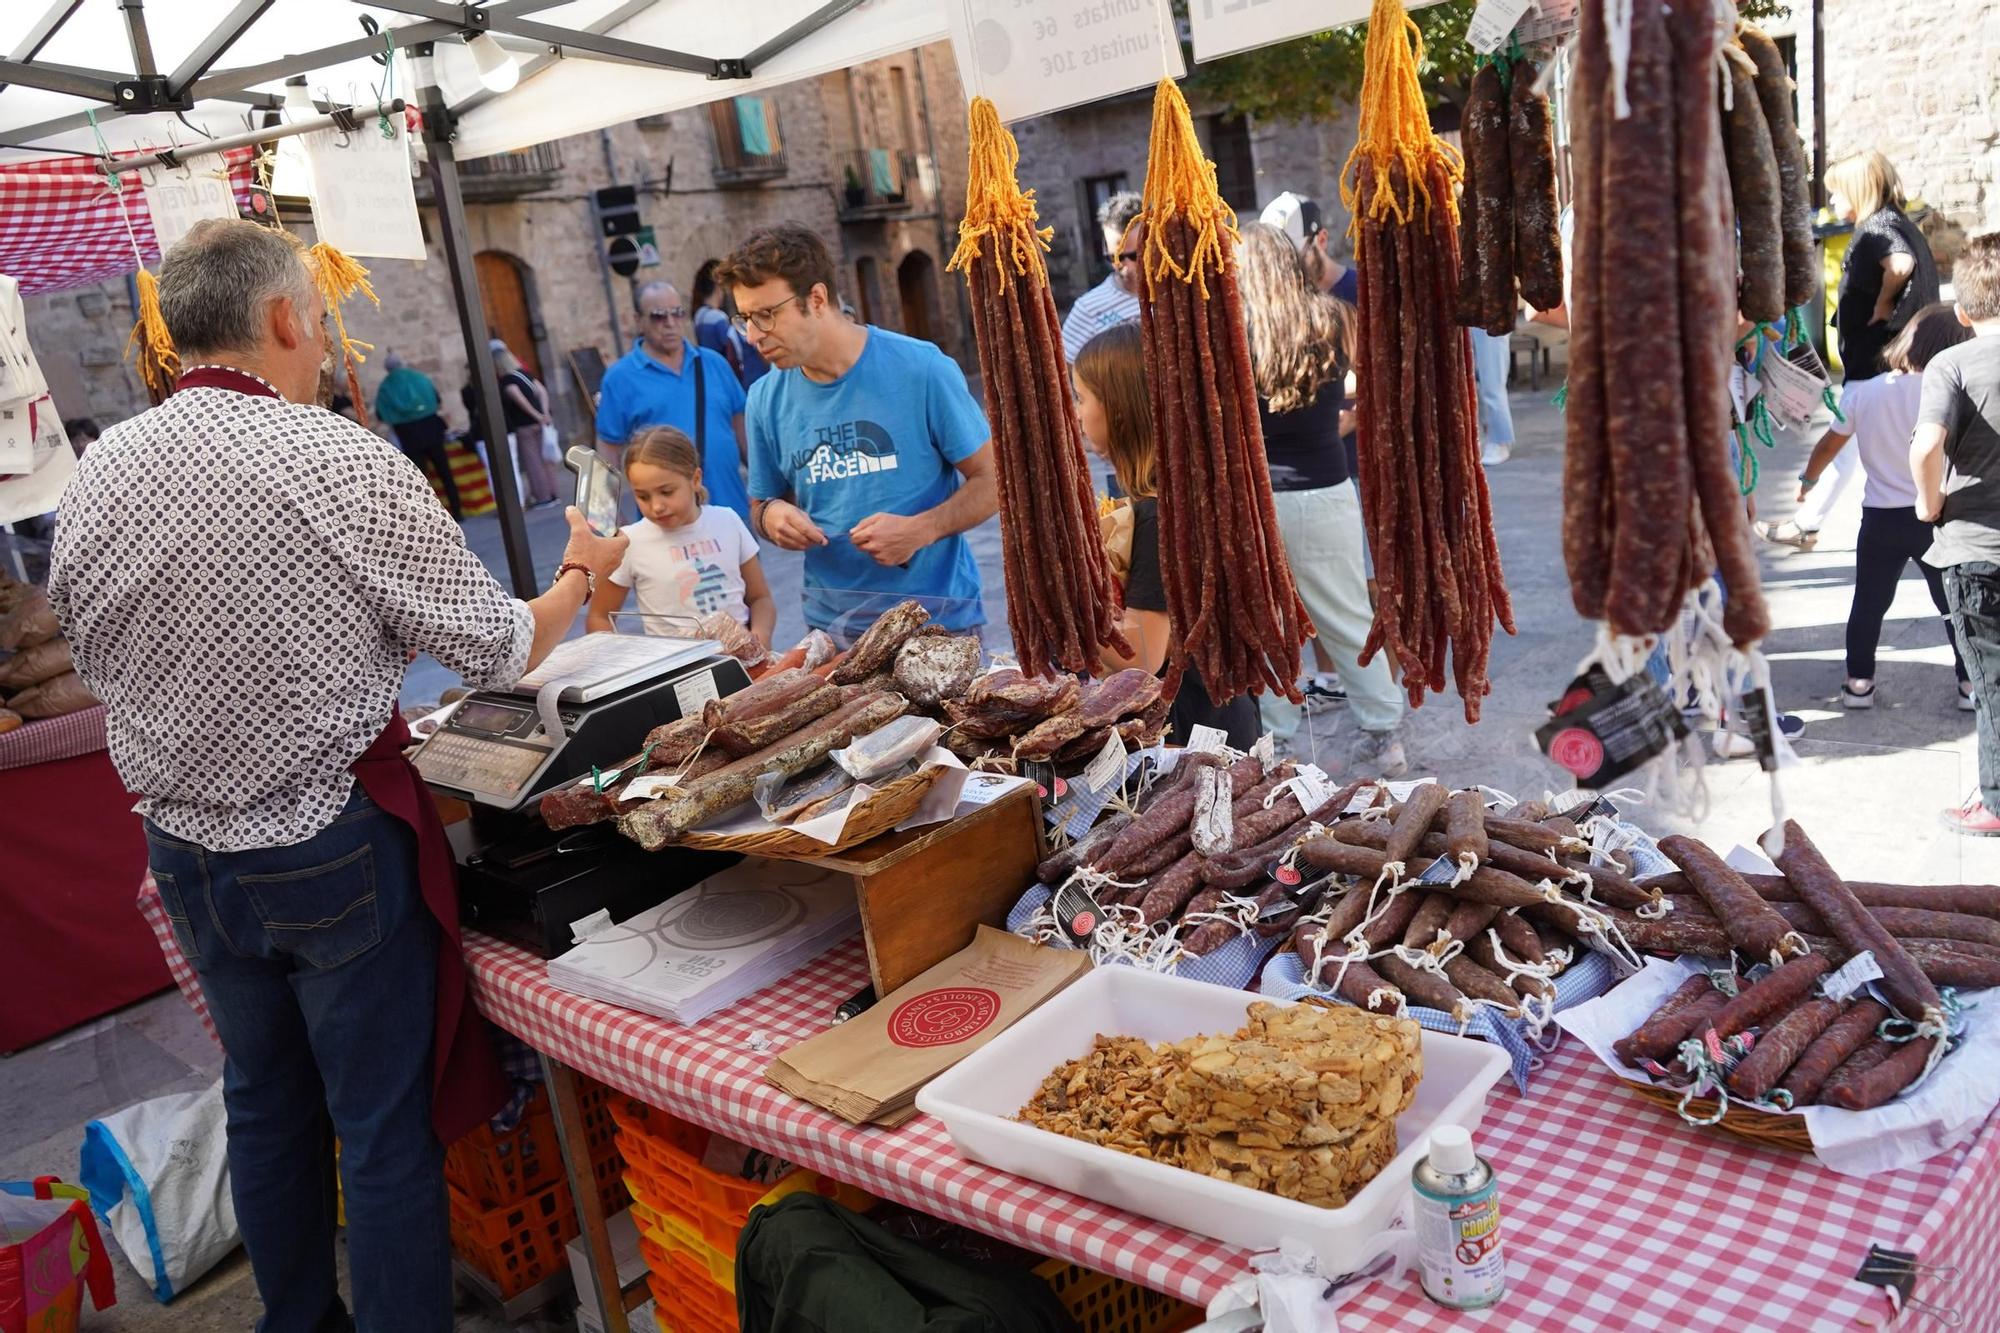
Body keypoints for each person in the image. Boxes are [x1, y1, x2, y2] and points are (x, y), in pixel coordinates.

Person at [44, 218, 628, 1332]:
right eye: (316, 321)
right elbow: (494, 646)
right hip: (324, 844)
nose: (321, 344)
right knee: (379, 1129)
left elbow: (89, 650)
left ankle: (296, 1320)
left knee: (265, 1105)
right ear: (280, 320)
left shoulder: (103, 469)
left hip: (185, 848)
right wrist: (573, 575)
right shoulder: (337, 456)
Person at [720, 224, 997, 637]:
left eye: (765, 315)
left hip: (938, 624)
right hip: (833, 632)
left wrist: (921, 530)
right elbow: (761, 504)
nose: (753, 335)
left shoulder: (921, 368)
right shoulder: (763, 397)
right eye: (744, 318)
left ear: (816, 299)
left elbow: (994, 482)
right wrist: (772, 516)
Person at [1235, 222, 1407, 774]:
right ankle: (1384, 735)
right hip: (1329, 490)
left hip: (1267, 499)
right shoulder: (1332, 317)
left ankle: (1278, 741)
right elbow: (1360, 387)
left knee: (1273, 626)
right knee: (1349, 615)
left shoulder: (1238, 330)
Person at [1074, 323, 1259, 749]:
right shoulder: (1181, 489)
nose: (1077, 414)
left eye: (1082, 398)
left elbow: (1139, 656)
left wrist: (1066, 597)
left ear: (1119, 409)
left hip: (1190, 738)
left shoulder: (1159, 513)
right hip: (1215, 717)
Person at [1797, 304, 1973, 711]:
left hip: (1879, 518)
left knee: (1869, 604)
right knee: (1952, 605)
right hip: (1936, 513)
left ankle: (1859, 682)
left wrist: (1808, 480)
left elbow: (1829, 444)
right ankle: (1968, 684)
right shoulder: (1949, 390)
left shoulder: (1867, 391)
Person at [1760, 153, 1941, 550]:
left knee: (1846, 435)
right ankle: (1808, 523)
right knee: (1859, 440)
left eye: (1836, 194)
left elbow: (1901, 263)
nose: (1832, 204)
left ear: (1858, 191)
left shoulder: (1878, 228)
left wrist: (1882, 302)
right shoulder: (1897, 223)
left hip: (1879, 355)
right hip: (1894, 354)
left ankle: (1807, 520)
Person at [1912, 234, 2000, 835]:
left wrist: (1929, 501)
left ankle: (1995, 801)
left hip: (1976, 550)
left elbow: (1926, 445)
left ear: (1963, 314)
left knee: (1992, 681)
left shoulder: (1953, 364)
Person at [587, 424, 775, 646]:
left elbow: (760, 598)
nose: (656, 506)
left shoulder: (728, 521)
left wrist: (760, 638)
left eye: (667, 492)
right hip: (674, 669)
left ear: (695, 479)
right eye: (643, 496)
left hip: (740, 662)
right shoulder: (629, 541)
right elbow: (599, 616)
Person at [595, 279, 752, 525]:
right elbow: (606, 454)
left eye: (677, 314)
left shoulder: (714, 364)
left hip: (731, 514)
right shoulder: (620, 379)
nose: (670, 324)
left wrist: (768, 495)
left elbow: (743, 434)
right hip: (666, 524)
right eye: (658, 316)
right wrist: (613, 523)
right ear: (638, 321)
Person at [1060, 191, 1146, 363]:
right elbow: (1066, 371)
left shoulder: (1176, 296)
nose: (1127, 267)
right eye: (1116, 258)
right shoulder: (1088, 309)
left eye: (1135, 255)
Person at [373, 352, 461, 519]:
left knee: (420, 480)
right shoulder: (420, 378)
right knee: (445, 473)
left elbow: (381, 414)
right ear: (402, 363)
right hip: (431, 430)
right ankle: (457, 511)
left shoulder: (385, 387)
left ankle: (429, 517)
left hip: (409, 436)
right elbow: (437, 399)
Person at [492, 339, 563, 508]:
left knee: (533, 463)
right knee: (546, 459)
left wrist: (537, 415)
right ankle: (553, 492)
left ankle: (543, 497)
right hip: (540, 423)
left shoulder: (507, 381)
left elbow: (520, 400)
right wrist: (544, 413)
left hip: (525, 425)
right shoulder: (525, 374)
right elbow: (542, 392)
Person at [692, 258, 769, 389]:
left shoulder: (699, 316)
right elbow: (734, 348)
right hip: (730, 374)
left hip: (712, 373)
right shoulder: (718, 318)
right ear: (718, 287)